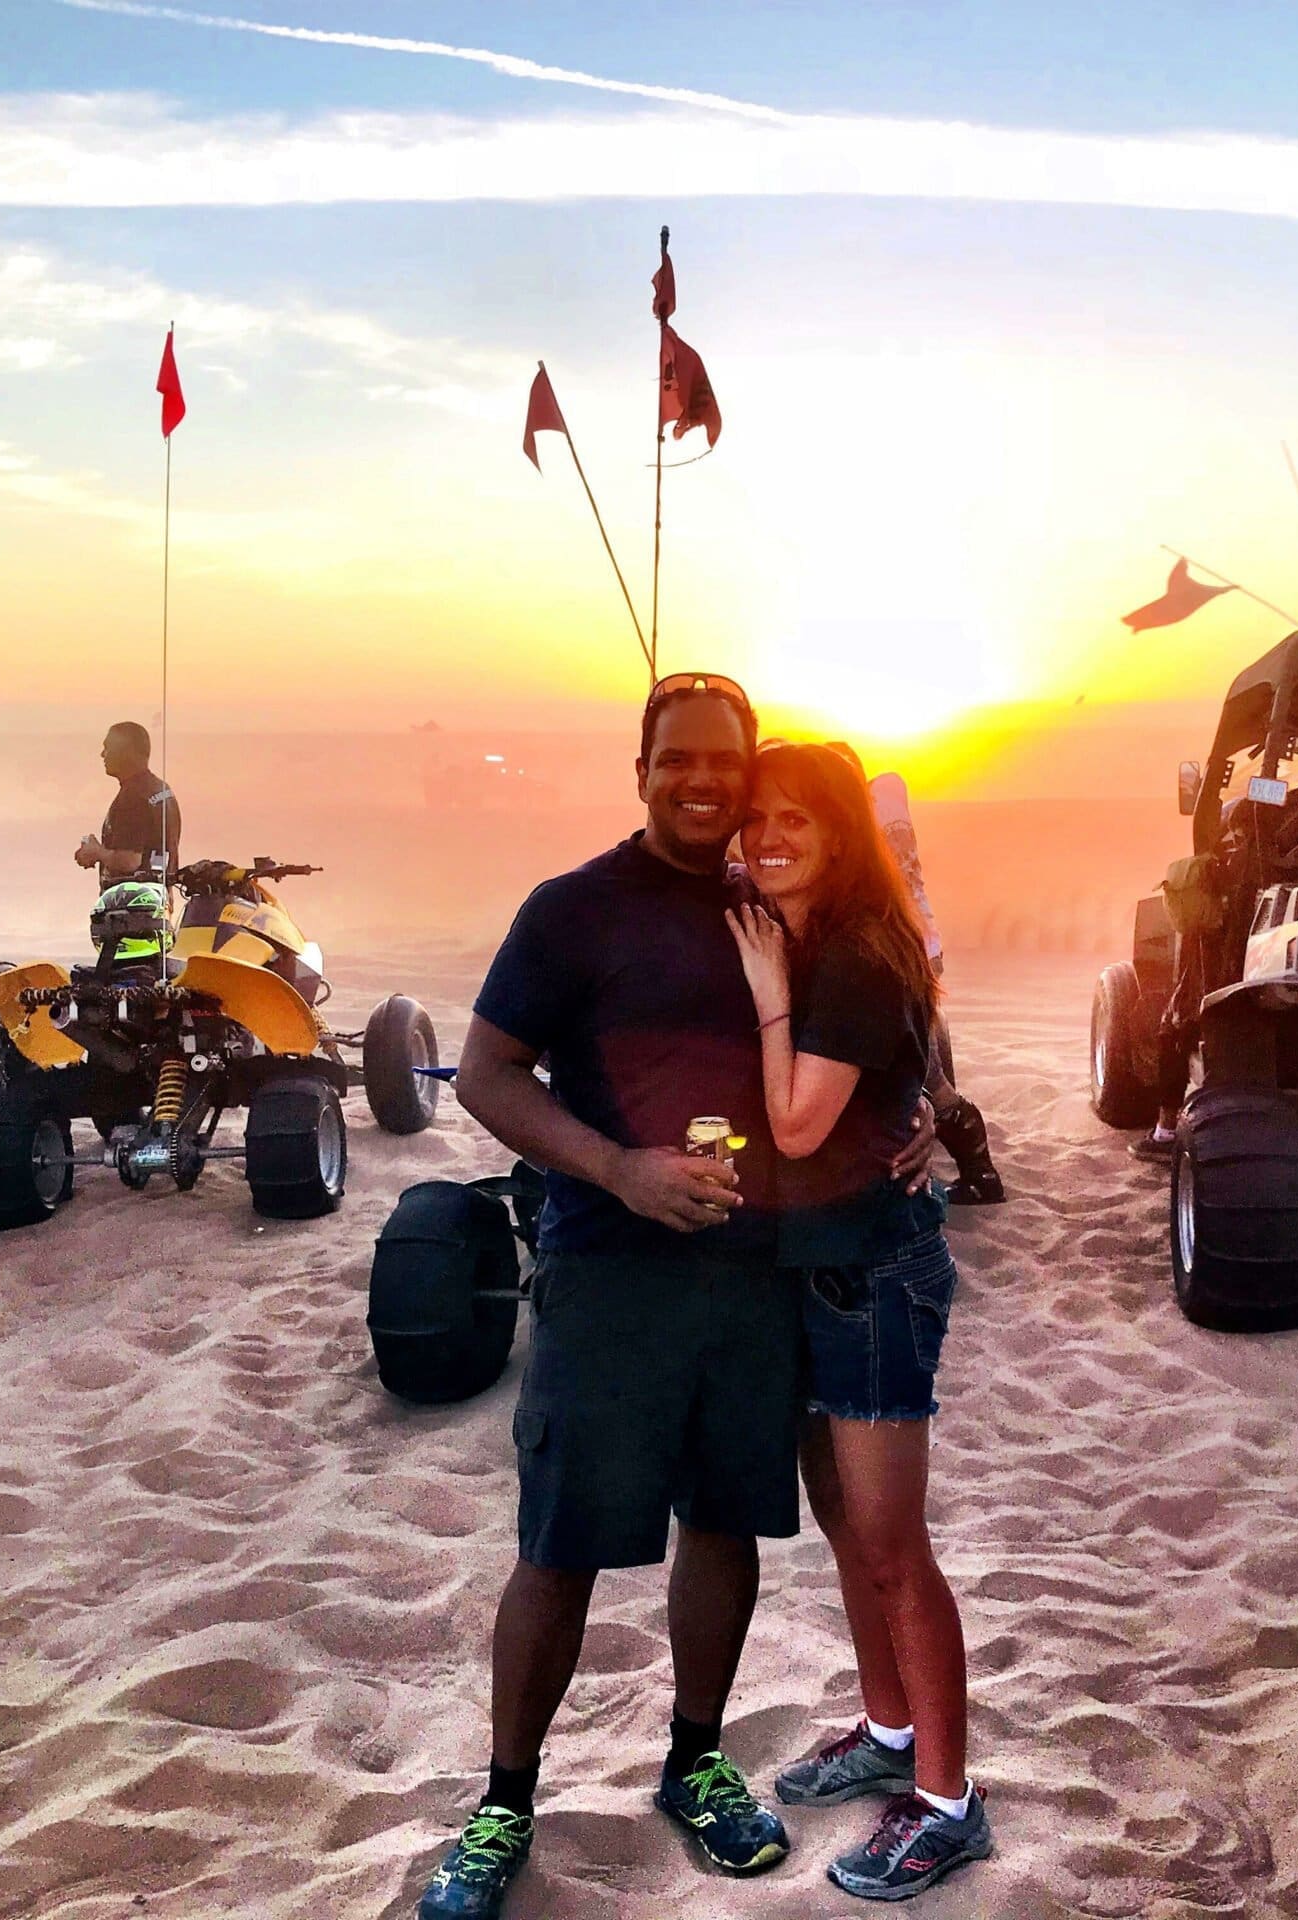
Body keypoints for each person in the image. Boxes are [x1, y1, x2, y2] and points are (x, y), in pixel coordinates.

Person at [420, 673, 934, 1920]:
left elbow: (877, 1022)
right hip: (606, 1266)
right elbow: (486, 1071)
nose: (704, 784)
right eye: (677, 761)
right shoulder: (574, 911)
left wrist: (912, 1118)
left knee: (723, 1521)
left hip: (761, 1278)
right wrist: (615, 1168)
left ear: (752, 775)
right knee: (561, 1544)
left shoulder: (788, 906)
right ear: (639, 769)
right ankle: (502, 1806)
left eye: (725, 765)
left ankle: (696, 1758)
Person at [726, 742, 991, 1902]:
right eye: (755, 818)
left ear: (842, 835)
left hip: (874, 1272)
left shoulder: (842, 961)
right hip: (814, 1264)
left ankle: (946, 1802)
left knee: (892, 1546)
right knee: (843, 1525)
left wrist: (773, 999)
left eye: (798, 819)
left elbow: (791, 1126)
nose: (770, 836)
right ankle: (886, 1733)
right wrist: (925, 1102)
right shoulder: (795, 928)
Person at [826, 743, 1004, 1206]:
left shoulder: (869, 829)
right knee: (922, 1065)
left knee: (930, 1078)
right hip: (922, 951)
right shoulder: (886, 818)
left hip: (901, 956)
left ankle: (981, 1175)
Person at [74, 721, 181, 879]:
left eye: (108, 747)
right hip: (160, 894)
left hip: (132, 899)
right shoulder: (161, 790)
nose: (103, 754)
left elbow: (130, 861)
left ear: (126, 751)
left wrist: (97, 851)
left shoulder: (133, 797)